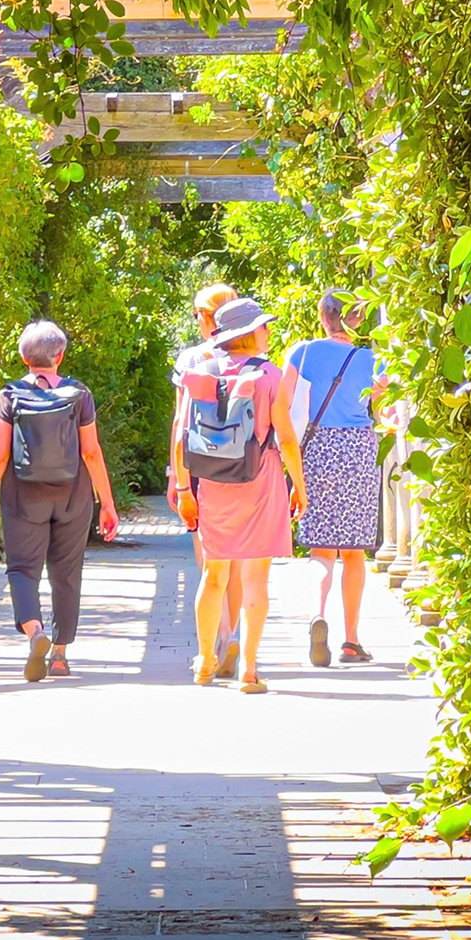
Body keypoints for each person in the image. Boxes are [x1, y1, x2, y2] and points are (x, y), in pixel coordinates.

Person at [174, 297, 306, 693]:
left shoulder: (201, 372)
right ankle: (248, 670)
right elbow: (286, 438)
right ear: (248, 334)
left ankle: (204, 660)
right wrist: (299, 488)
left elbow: (181, 437)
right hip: (261, 482)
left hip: (214, 485)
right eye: (263, 326)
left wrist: (184, 490)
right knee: (256, 579)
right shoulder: (269, 375)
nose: (267, 331)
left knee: (214, 575)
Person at [0, 320, 120, 681]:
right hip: (73, 495)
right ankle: (59, 655)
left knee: (22, 569)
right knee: (66, 573)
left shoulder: (10, 396)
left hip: (23, 496)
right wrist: (107, 503)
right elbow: (91, 452)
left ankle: (34, 630)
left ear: (24, 357)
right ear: (61, 355)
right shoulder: (79, 394)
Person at [284, 291, 392, 667]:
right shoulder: (372, 358)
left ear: (322, 317)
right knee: (354, 551)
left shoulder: (302, 353)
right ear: (358, 320)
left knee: (321, 549)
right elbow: (383, 410)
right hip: (359, 449)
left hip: (318, 449)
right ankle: (351, 641)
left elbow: (283, 406)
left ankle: (317, 615)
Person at [168, 283, 244, 677]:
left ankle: (222, 635)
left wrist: (177, 478)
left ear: (206, 316)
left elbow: (180, 423)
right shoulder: (250, 355)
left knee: (210, 559)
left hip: (200, 466)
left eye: (198, 313)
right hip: (243, 466)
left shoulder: (191, 359)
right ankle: (235, 634)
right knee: (238, 558)